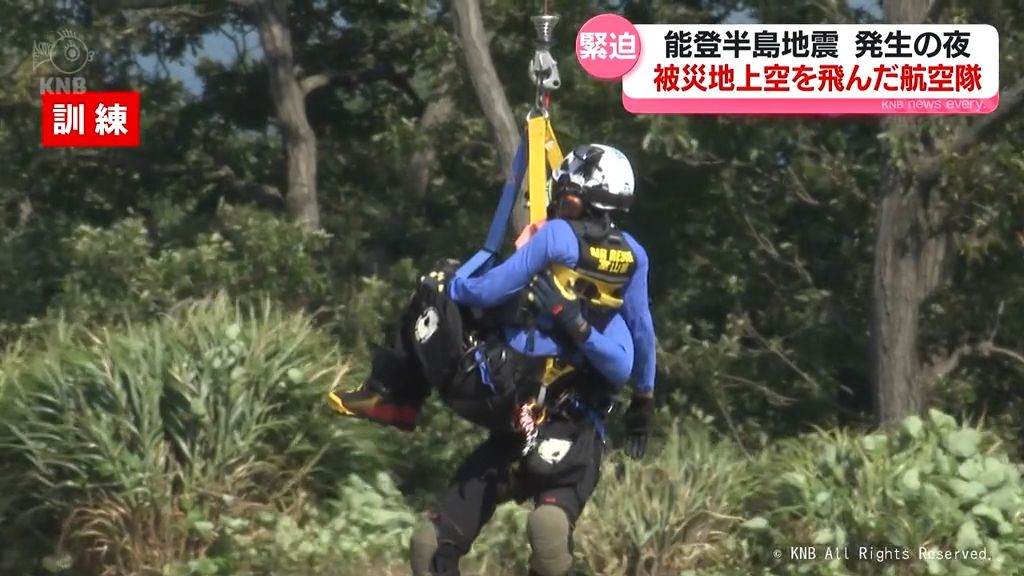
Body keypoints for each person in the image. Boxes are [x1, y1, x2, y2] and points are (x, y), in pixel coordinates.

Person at [329, 144, 657, 575]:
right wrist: (643, 404)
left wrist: (456, 284)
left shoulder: (557, 236)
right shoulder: (633, 258)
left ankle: (393, 395)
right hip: (572, 424)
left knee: (433, 543)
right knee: (549, 530)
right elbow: (641, 339)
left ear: (578, 196)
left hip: (509, 399)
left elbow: (484, 292)